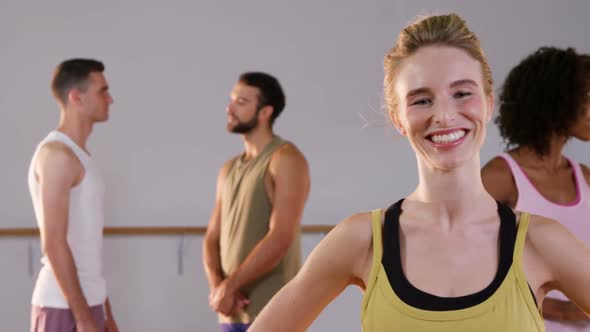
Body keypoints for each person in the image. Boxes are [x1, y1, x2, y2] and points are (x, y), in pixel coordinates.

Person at [249, 14, 590, 331]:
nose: (443, 115)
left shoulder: (540, 242)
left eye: (461, 93)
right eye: (421, 100)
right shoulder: (362, 240)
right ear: (398, 118)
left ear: (488, 104)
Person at [482, 47, 590, 331]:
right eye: (588, 97)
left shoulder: (586, 178)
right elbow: (460, 269)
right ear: (555, 99)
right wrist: (561, 311)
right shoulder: (500, 177)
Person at [202, 72, 310, 332]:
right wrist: (220, 289)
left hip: (272, 312)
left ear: (265, 112)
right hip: (231, 312)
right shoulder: (228, 169)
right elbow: (211, 237)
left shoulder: (285, 159)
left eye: (241, 102)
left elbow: (281, 237)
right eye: (231, 100)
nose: (230, 108)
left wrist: (231, 286)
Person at [28, 59, 118, 332]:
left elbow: (86, 250)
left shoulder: (80, 156)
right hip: (62, 307)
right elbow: (53, 243)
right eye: (102, 91)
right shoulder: (56, 155)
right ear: (76, 97)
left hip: (89, 303)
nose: (110, 99)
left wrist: (105, 311)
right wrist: (82, 318)